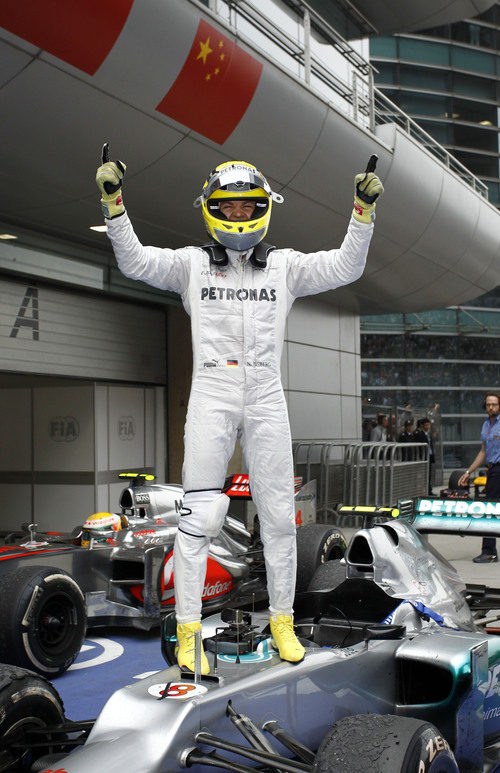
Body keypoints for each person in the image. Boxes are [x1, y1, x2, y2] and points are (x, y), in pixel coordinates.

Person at [96, 151, 383, 673]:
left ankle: (282, 623)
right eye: (225, 208)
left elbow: (346, 264)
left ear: (264, 207)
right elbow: (136, 261)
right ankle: (187, 633)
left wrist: (361, 211)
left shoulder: (285, 266)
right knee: (198, 517)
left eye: (246, 206)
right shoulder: (189, 263)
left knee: (277, 518)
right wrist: (114, 206)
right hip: (212, 392)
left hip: (268, 396)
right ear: (209, 209)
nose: (236, 216)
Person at [458, 392, 500, 563]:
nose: (491, 407)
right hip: (492, 471)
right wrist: (468, 472)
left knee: (489, 510)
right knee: (489, 510)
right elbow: (483, 452)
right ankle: (489, 551)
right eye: (488, 404)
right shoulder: (485, 426)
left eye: (494, 404)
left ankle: (489, 552)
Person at [414, 418, 435, 495]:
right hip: (424, 456)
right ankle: (425, 490)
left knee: (429, 474)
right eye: (426, 425)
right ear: (422, 426)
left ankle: (429, 489)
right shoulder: (420, 434)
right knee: (424, 474)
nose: (428, 426)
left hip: (429, 455)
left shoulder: (428, 434)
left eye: (428, 425)